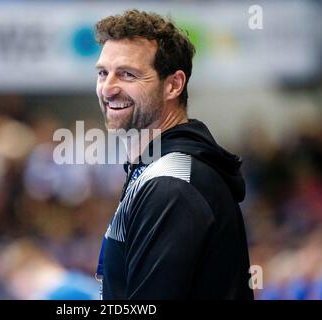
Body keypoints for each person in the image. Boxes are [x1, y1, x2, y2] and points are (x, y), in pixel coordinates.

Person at [94, 10, 254, 300]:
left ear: (173, 85)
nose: (108, 88)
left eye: (127, 74)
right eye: (103, 73)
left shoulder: (171, 183)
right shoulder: (157, 169)